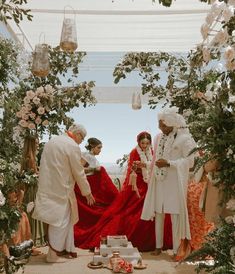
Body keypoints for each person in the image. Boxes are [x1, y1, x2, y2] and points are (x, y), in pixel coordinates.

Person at [74, 131, 172, 252]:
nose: (145, 146)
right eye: (143, 143)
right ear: (138, 142)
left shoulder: (152, 152)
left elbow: (153, 166)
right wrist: (139, 168)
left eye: (147, 143)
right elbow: (132, 170)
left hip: (150, 184)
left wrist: (147, 167)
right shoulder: (134, 152)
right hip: (137, 184)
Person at [32, 124, 95, 263]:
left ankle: (66, 249)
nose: (81, 141)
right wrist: (87, 192)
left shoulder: (52, 141)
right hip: (62, 189)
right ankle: (52, 255)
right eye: (82, 138)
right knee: (61, 222)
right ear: (77, 134)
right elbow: (78, 171)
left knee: (56, 219)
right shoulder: (72, 146)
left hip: (47, 186)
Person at [141, 106, 196, 257]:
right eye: (159, 124)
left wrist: (170, 163)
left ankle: (177, 249)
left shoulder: (185, 139)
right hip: (160, 180)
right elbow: (155, 159)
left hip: (174, 183)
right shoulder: (160, 138)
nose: (160, 127)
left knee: (175, 215)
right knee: (158, 212)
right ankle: (158, 247)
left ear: (172, 123)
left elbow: (191, 161)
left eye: (163, 124)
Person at [74, 138, 118, 232]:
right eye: (98, 148)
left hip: (94, 184)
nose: (100, 150)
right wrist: (94, 170)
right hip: (89, 184)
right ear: (92, 147)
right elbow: (79, 169)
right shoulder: (86, 155)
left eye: (101, 148)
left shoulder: (91, 156)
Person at [20, 135, 46, 249]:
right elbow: (32, 175)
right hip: (32, 188)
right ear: (31, 144)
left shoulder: (27, 157)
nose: (38, 145)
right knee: (34, 212)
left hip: (31, 187)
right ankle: (34, 238)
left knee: (32, 211)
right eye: (36, 143)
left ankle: (31, 238)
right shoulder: (30, 158)